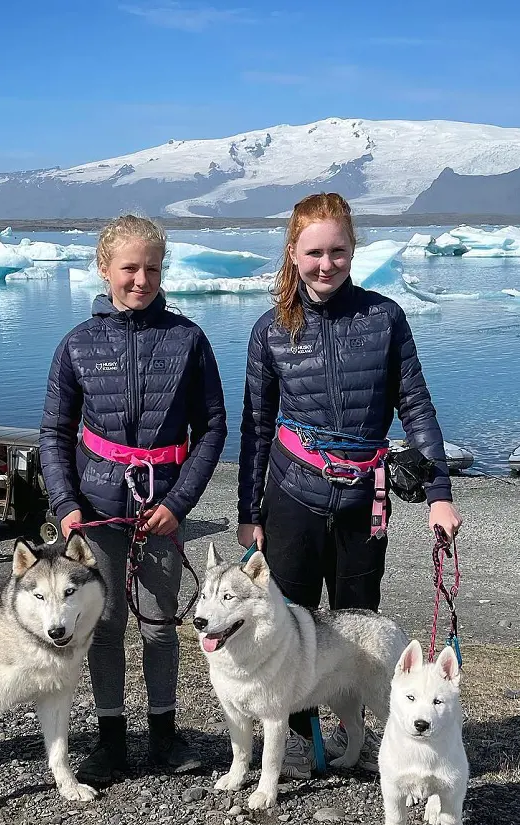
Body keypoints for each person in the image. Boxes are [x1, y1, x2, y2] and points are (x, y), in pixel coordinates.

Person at [237, 192, 462, 780]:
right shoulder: (271, 330)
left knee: (358, 624)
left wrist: (439, 492)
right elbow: (257, 428)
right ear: (293, 252)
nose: (326, 264)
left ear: (353, 250)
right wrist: (248, 511)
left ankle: (364, 740)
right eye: (314, 252)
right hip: (293, 495)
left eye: (338, 251)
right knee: (288, 625)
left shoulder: (384, 318)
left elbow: (415, 405)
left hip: (366, 501)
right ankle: (300, 743)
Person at [40, 214, 227, 786]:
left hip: (162, 510)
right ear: (105, 269)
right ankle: (111, 739)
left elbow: (214, 428)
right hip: (95, 513)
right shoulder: (77, 344)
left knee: (160, 626)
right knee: (106, 624)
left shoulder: (189, 339)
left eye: (151, 267)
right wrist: (65, 504)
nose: (141, 279)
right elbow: (54, 433)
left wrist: (181, 501)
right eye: (129, 268)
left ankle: (165, 737)